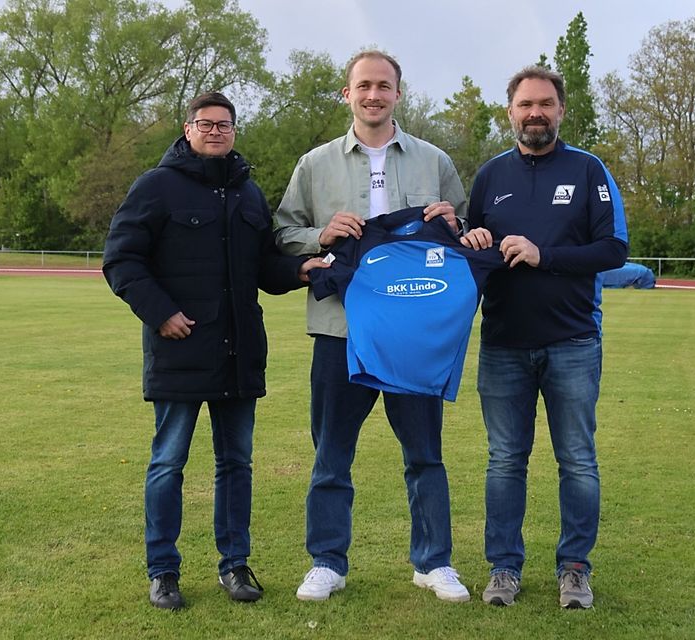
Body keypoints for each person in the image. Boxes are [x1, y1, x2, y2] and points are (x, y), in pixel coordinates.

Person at [103, 91, 328, 609]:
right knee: (168, 463)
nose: (215, 132)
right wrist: (160, 313)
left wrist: (299, 269)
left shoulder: (247, 193)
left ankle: (235, 565)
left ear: (234, 131)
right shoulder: (156, 187)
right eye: (205, 124)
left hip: (237, 351)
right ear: (187, 130)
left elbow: (262, 267)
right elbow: (121, 260)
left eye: (224, 124)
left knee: (236, 464)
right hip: (179, 351)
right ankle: (163, 571)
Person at [275, 50, 471, 603]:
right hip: (340, 330)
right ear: (347, 93)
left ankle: (433, 563)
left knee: (425, 454)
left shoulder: (435, 161)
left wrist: (457, 225)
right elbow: (284, 232)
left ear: (398, 94)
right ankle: (327, 562)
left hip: (414, 333)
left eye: (384, 86)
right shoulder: (314, 165)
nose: (373, 95)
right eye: (363, 85)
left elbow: (468, 232)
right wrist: (320, 235)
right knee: (331, 452)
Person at [460, 66, 629, 608]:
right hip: (504, 343)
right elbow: (470, 256)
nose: (535, 112)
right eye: (525, 104)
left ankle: (575, 568)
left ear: (560, 110)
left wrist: (543, 255)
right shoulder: (489, 176)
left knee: (577, 459)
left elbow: (613, 250)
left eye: (545, 104)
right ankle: (504, 568)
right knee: (505, 460)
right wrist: (475, 240)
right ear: (509, 111)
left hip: (573, 342)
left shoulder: (587, 170)